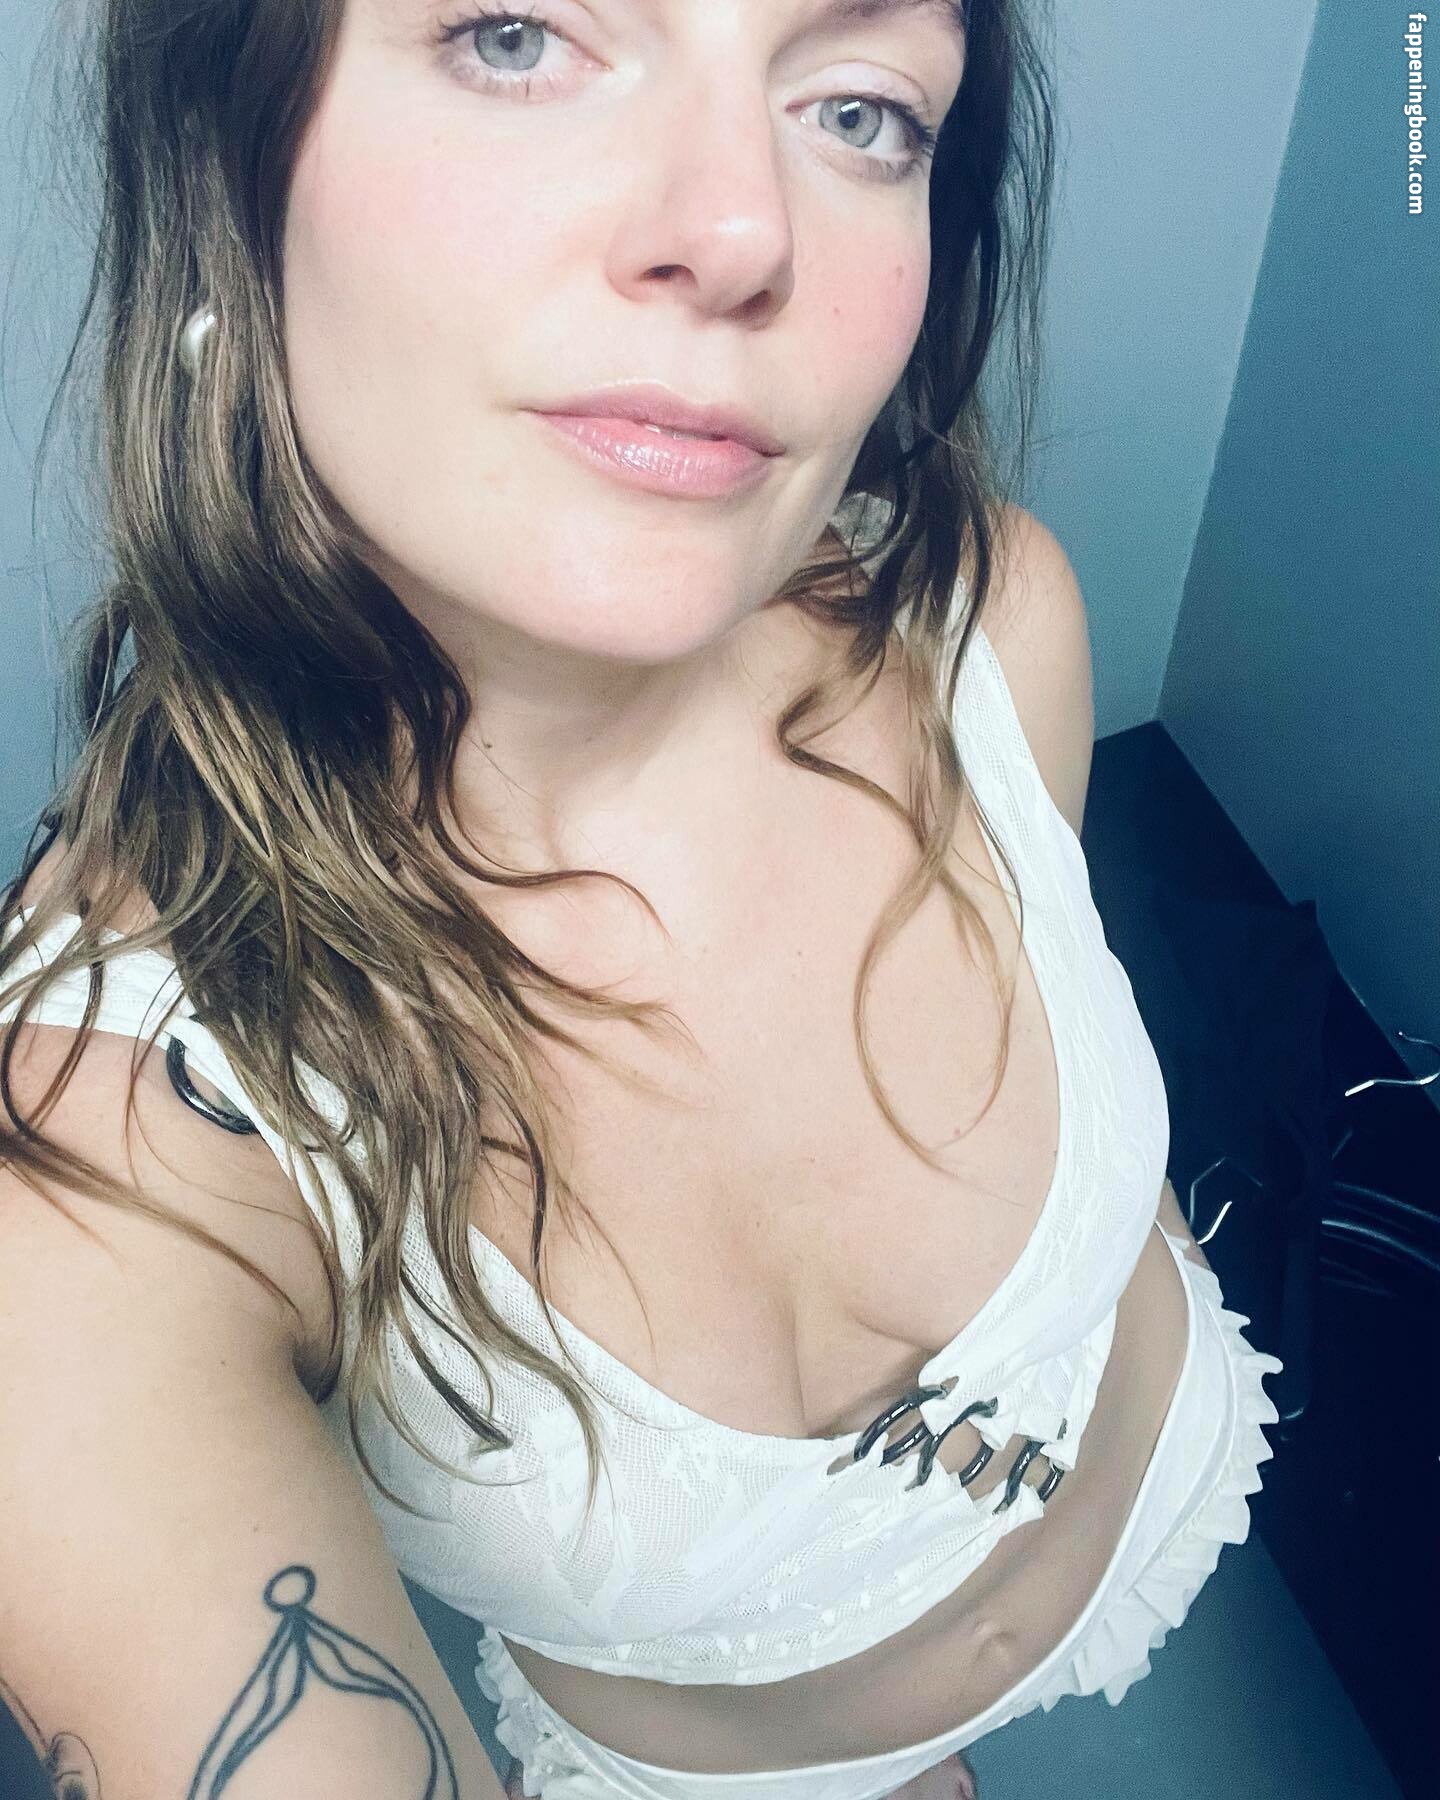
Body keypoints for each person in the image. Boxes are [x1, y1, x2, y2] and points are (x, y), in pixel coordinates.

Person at [0, 2, 1284, 1796]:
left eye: (860, 108)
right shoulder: (105, 1177)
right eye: (518, 35)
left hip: (1150, 1480)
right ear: (228, 152)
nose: (745, 226)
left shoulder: (990, 622)